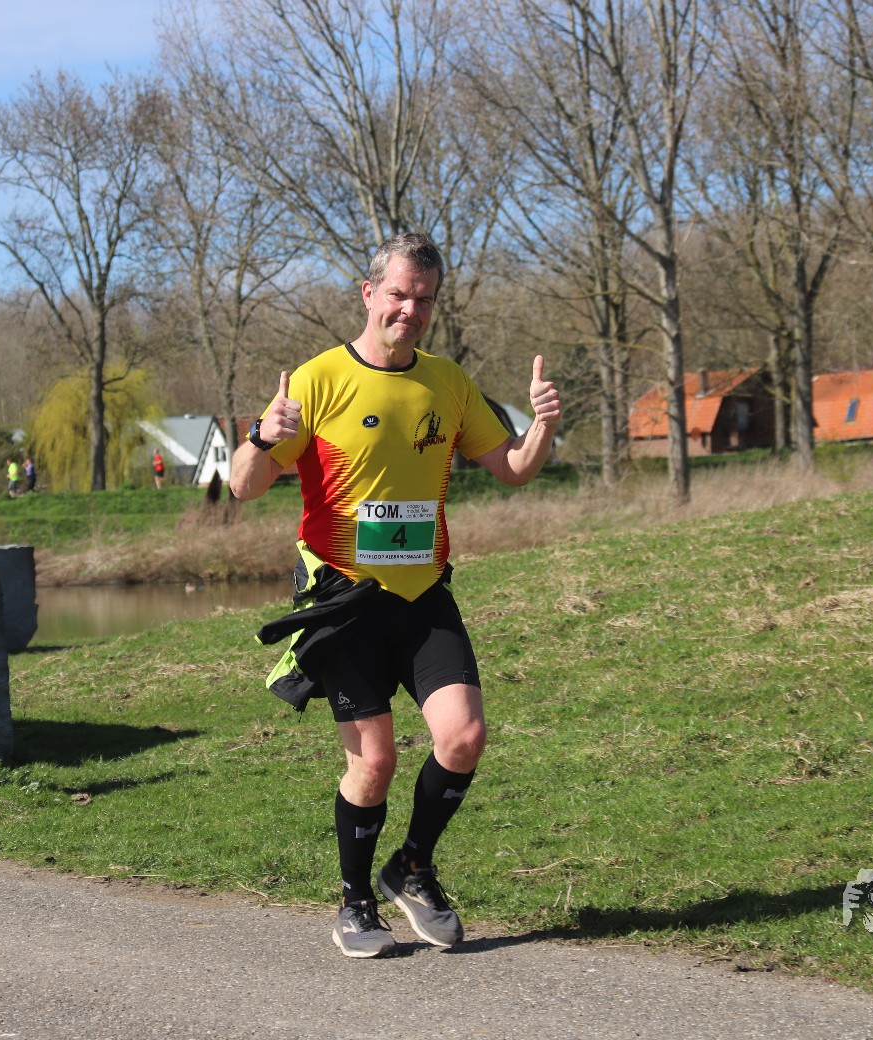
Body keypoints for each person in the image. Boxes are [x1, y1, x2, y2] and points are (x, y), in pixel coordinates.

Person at [231, 232, 562, 958]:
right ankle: (355, 903)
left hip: (422, 593)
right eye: (399, 295)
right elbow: (242, 485)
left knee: (463, 737)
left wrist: (541, 427)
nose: (410, 310)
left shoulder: (447, 382)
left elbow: (512, 469)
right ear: (369, 293)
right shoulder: (318, 380)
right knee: (373, 763)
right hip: (344, 597)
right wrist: (261, 434)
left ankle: (411, 866)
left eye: (425, 300)